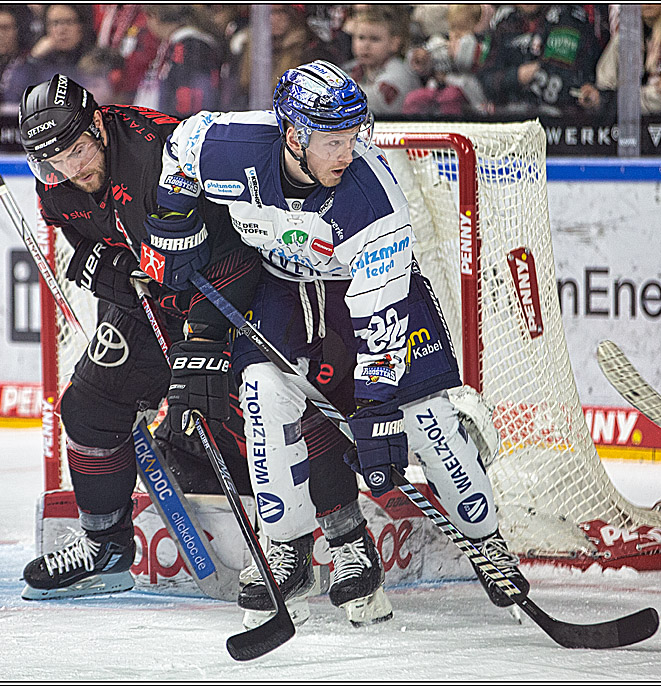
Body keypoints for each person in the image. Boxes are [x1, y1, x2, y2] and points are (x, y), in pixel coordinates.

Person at [151, 60, 529, 627]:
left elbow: (381, 321)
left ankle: (486, 541)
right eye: (333, 140)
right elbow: (180, 150)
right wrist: (175, 223)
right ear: (294, 135)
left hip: (374, 294)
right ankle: (287, 551)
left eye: (354, 136)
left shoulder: (372, 202)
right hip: (284, 288)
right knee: (261, 390)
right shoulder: (230, 146)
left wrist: (376, 411)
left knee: (420, 416)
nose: (347, 153)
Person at [14, 74, 263, 600]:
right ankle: (104, 547)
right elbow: (84, 237)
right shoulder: (56, 180)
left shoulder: (160, 156)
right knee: (87, 404)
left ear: (99, 125)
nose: (71, 169)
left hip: (230, 294)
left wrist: (205, 339)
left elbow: (237, 250)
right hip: (149, 302)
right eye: (54, 161)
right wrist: (101, 266)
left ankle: (293, 541)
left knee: (240, 407)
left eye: (78, 150)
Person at [478, 4, 602, 117]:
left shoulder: (571, 18)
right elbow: (484, 80)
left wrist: (590, 92)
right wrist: (517, 76)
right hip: (509, 118)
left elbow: (580, 79)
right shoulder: (503, 21)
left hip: (561, 121)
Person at [594, 3, 661, 115]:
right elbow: (603, 83)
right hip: (630, 119)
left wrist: (614, 101)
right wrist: (602, 97)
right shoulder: (629, 30)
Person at [343, 6, 419, 116]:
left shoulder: (399, 72)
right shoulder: (351, 69)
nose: (366, 45)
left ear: (394, 43)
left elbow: (376, 104)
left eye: (374, 39)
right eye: (361, 38)